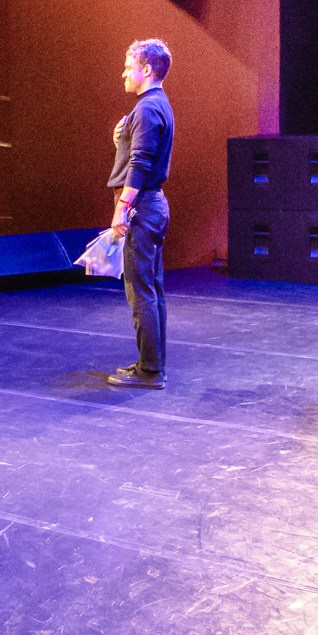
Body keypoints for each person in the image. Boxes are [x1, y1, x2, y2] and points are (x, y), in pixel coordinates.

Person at [107, 37, 176, 389]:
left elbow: (141, 163)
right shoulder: (154, 105)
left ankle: (149, 370)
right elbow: (136, 153)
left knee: (140, 291)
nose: (123, 73)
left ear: (146, 69)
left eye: (128, 66)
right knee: (152, 289)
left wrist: (123, 207)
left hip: (143, 206)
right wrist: (122, 135)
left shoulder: (148, 108)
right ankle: (154, 365)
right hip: (151, 205)